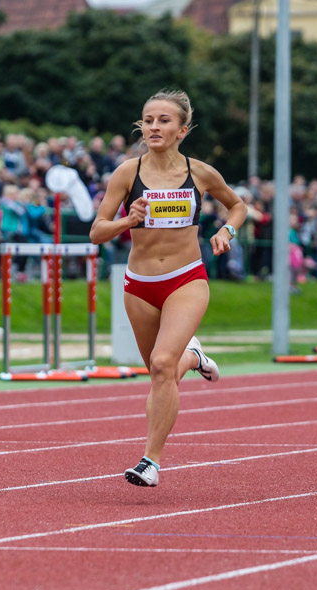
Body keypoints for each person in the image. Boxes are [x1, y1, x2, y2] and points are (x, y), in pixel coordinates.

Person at [90, 90, 247, 487]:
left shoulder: (201, 173)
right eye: (148, 120)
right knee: (162, 375)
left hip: (186, 279)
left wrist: (227, 231)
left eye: (163, 120)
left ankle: (150, 461)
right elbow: (97, 232)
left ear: (182, 130)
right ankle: (193, 357)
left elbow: (238, 205)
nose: (154, 127)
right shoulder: (128, 172)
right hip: (139, 285)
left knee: (162, 365)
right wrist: (129, 221)